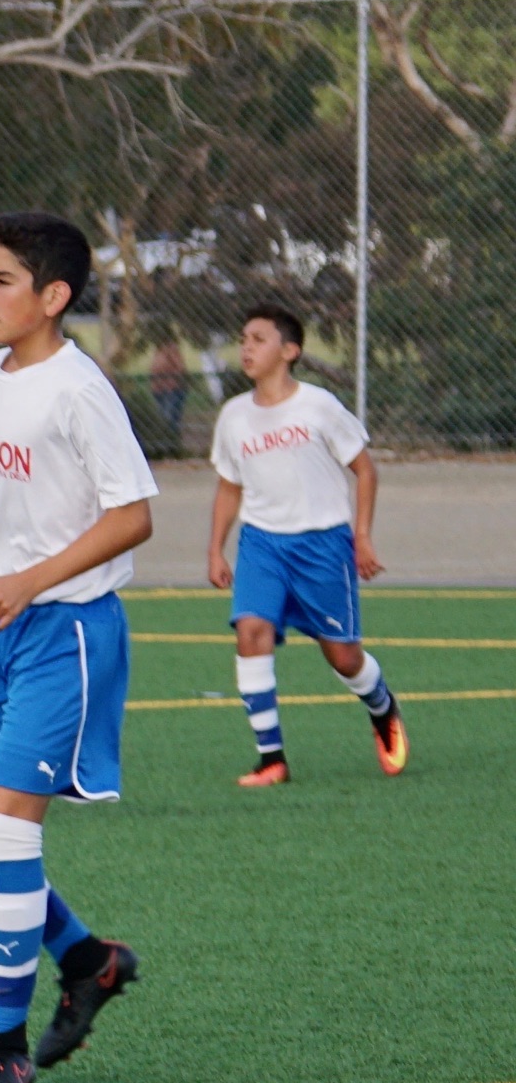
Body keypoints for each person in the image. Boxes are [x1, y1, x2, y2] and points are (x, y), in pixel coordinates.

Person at [0, 213, 153, 1083]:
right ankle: (89, 958)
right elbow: (0, 497)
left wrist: (32, 581)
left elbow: (132, 516)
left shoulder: (78, 391)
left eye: (2, 279)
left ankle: (1, 1045)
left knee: (10, 836)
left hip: (67, 632)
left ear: (53, 297)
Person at [204, 303, 403, 784]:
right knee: (251, 631)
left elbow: (365, 470)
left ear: (289, 351)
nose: (246, 347)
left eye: (258, 339)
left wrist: (362, 537)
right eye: (243, 338)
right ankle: (271, 759)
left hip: (323, 547)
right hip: (262, 545)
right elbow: (230, 486)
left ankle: (382, 707)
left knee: (344, 658)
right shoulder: (233, 416)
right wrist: (216, 548)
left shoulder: (319, 406)